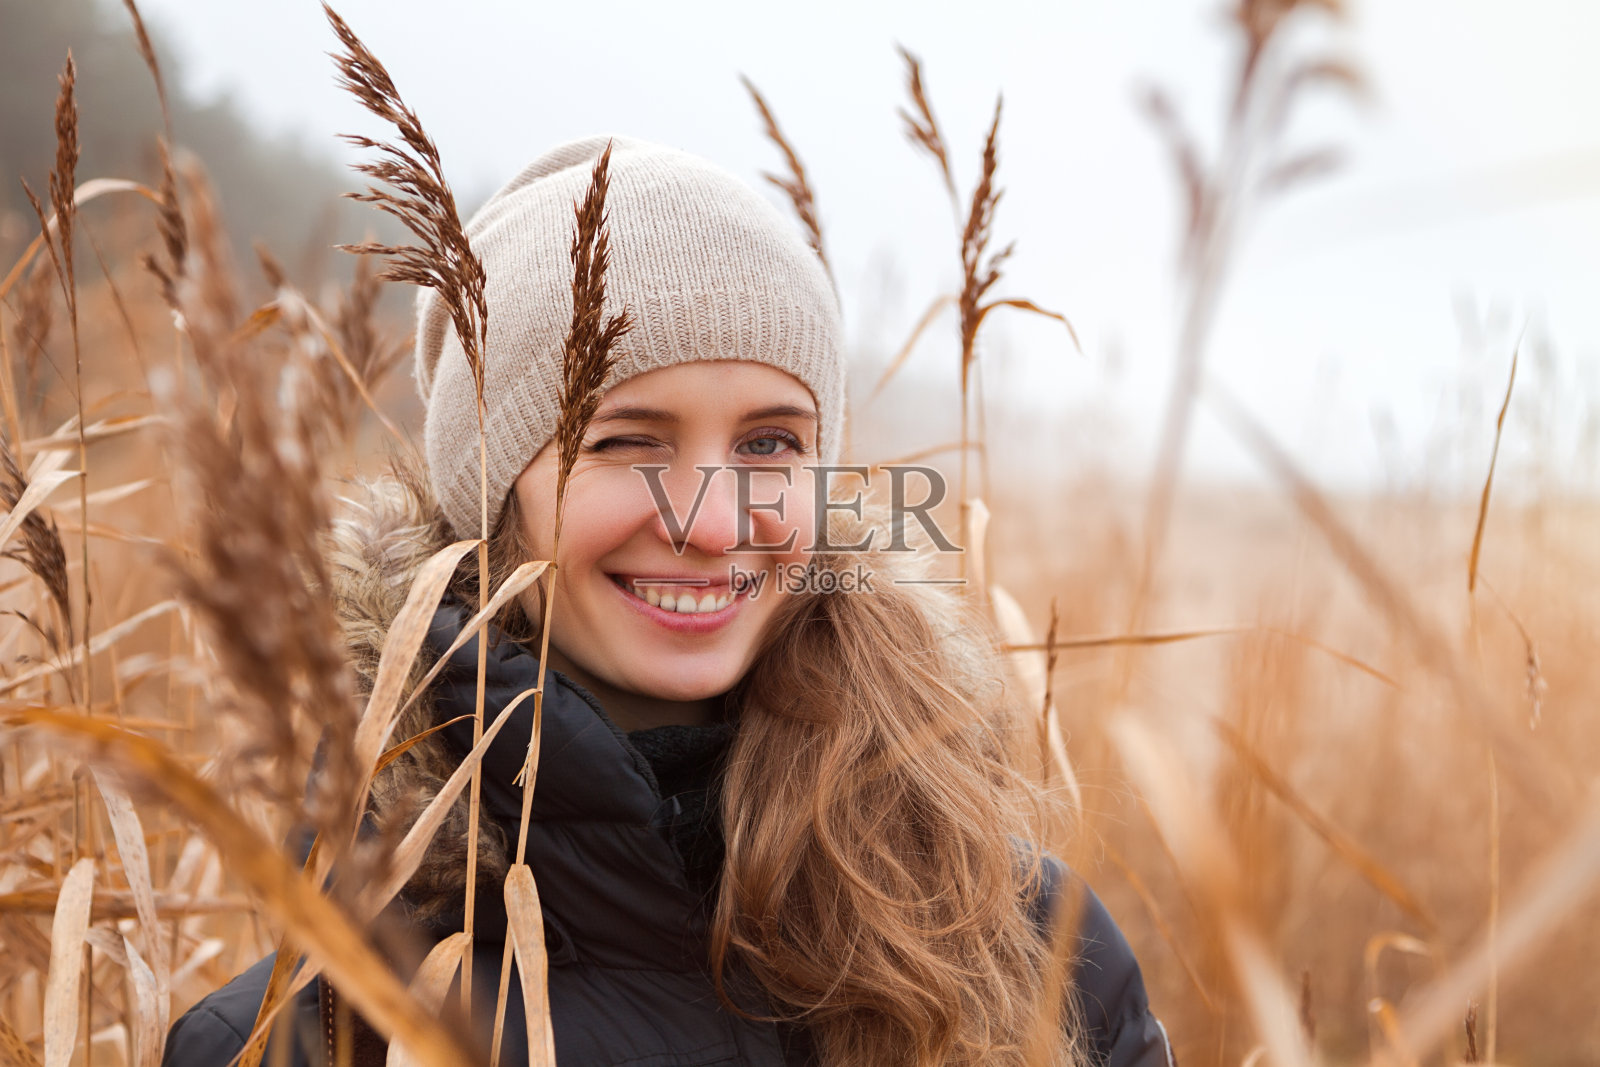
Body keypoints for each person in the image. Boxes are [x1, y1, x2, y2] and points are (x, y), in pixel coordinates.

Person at [162, 136, 1174, 1067]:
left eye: (769, 443)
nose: (715, 522)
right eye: (627, 441)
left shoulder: (1029, 945)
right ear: (493, 494)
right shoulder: (306, 1036)